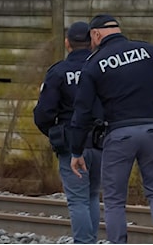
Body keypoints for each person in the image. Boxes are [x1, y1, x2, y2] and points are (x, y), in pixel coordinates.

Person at [69, 14, 153, 244]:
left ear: (96, 34)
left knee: (114, 199)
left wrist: (76, 151)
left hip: (119, 134)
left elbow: (82, 112)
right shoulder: (151, 51)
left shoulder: (93, 64)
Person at [33, 21, 103, 244]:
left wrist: (55, 133)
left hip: (73, 145)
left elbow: (43, 113)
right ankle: (91, 240)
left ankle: (85, 242)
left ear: (67, 43)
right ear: (92, 42)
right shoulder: (102, 68)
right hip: (102, 141)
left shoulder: (58, 72)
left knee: (78, 200)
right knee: (92, 196)